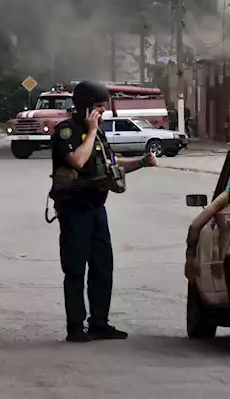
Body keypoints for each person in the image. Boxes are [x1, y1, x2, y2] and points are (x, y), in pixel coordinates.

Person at [51, 80, 160, 343]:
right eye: (99, 107)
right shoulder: (67, 132)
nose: (103, 112)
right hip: (74, 210)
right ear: (85, 107)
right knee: (76, 268)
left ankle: (99, 322)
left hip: (97, 208)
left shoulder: (96, 133)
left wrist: (142, 163)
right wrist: (90, 131)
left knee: (102, 267)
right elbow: (78, 160)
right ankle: (75, 327)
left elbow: (111, 163)